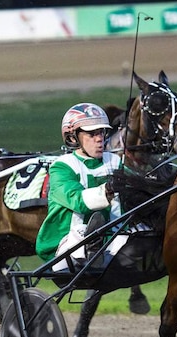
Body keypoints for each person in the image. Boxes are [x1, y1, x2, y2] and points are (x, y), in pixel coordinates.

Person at [35, 103, 122, 270]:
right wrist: (109, 189)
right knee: (82, 232)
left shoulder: (115, 161)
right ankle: (94, 248)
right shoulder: (62, 167)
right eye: (91, 134)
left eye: (102, 133)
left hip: (110, 237)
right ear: (73, 138)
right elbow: (78, 201)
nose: (99, 139)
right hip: (65, 247)